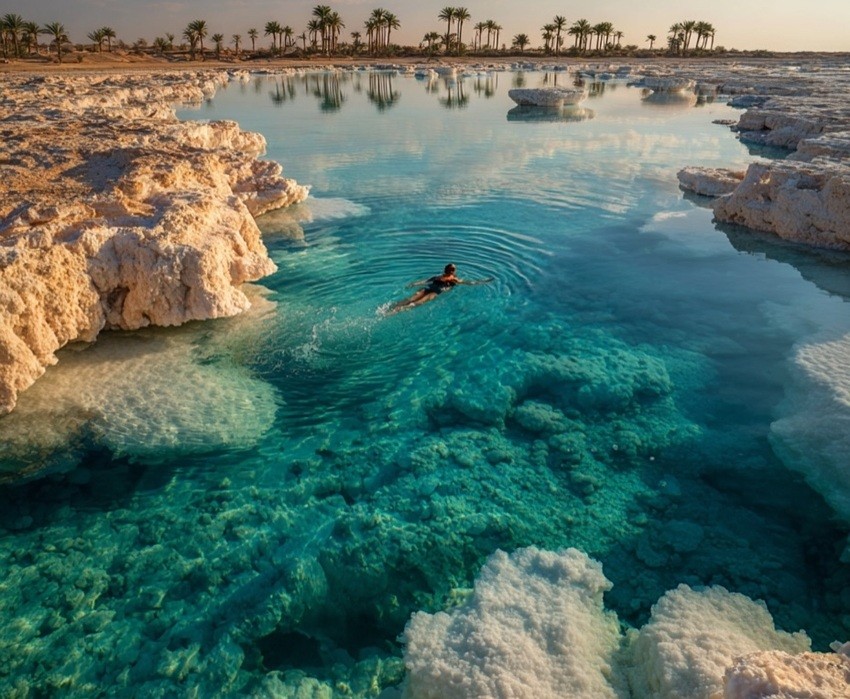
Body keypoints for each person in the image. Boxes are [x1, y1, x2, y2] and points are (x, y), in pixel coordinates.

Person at [388, 263, 493, 313]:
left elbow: (425, 281)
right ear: (452, 271)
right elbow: (470, 283)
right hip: (435, 292)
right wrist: (483, 281)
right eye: (454, 269)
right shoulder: (454, 279)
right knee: (417, 303)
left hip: (428, 289)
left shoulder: (438, 276)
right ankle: (396, 311)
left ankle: (392, 307)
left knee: (411, 299)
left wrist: (413, 284)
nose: (454, 271)